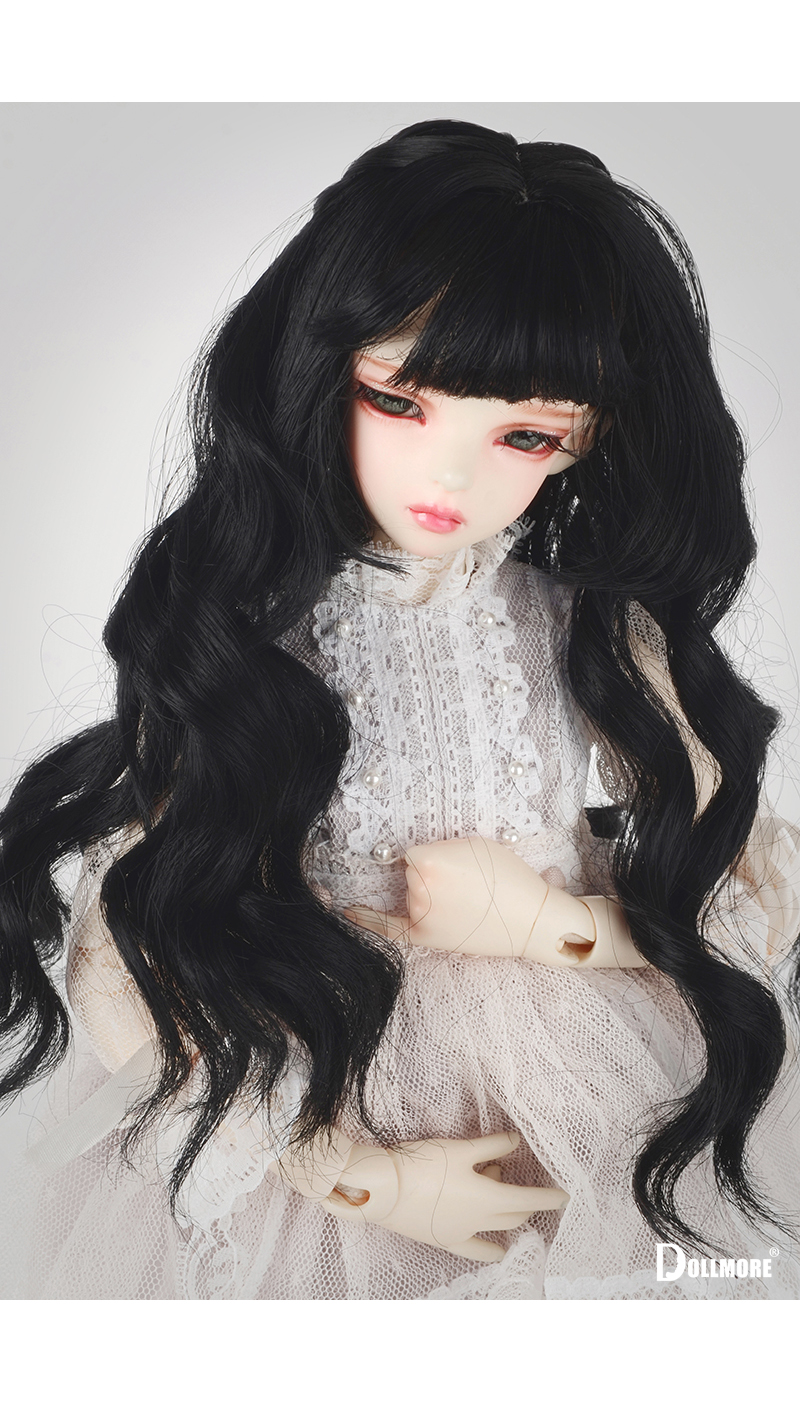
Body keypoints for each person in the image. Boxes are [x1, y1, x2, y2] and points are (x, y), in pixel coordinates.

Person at [1, 118, 799, 1300]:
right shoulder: (246, 643)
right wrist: (344, 1169)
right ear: (322, 372)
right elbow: (138, 943)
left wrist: (548, 925)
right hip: (314, 1064)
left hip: (583, 1080)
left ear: (585, 440)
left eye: (525, 433)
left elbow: (737, 889)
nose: (451, 475)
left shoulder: (592, 627)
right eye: (399, 399)